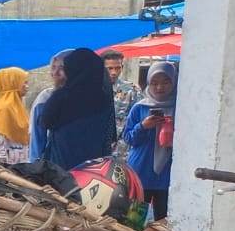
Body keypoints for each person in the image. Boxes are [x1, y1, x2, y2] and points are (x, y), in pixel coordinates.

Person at [35, 48, 116, 172]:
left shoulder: (62, 96)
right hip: (94, 170)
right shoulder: (104, 98)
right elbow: (109, 134)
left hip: (62, 170)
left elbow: (44, 123)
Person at [122, 61, 178, 220]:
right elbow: (128, 138)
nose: (159, 87)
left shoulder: (181, 107)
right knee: (134, 221)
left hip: (167, 174)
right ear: (148, 83)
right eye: (154, 83)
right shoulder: (140, 108)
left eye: (165, 82)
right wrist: (143, 126)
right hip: (141, 171)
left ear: (174, 82)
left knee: (165, 223)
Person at [0, 68, 31, 166]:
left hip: (20, 166)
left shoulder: (17, 107)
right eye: (24, 83)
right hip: (9, 169)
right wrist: (3, 172)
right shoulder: (5, 108)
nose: (27, 87)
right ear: (14, 83)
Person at [27, 53, 65, 163]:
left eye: (61, 68)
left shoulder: (87, 99)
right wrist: (34, 166)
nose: (55, 73)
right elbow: (37, 139)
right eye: (53, 68)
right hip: (53, 165)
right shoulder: (46, 98)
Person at [103, 49, 140, 139]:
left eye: (118, 68)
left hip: (123, 147)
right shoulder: (93, 91)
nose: (114, 72)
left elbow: (139, 118)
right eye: (110, 68)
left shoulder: (132, 90)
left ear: (122, 67)